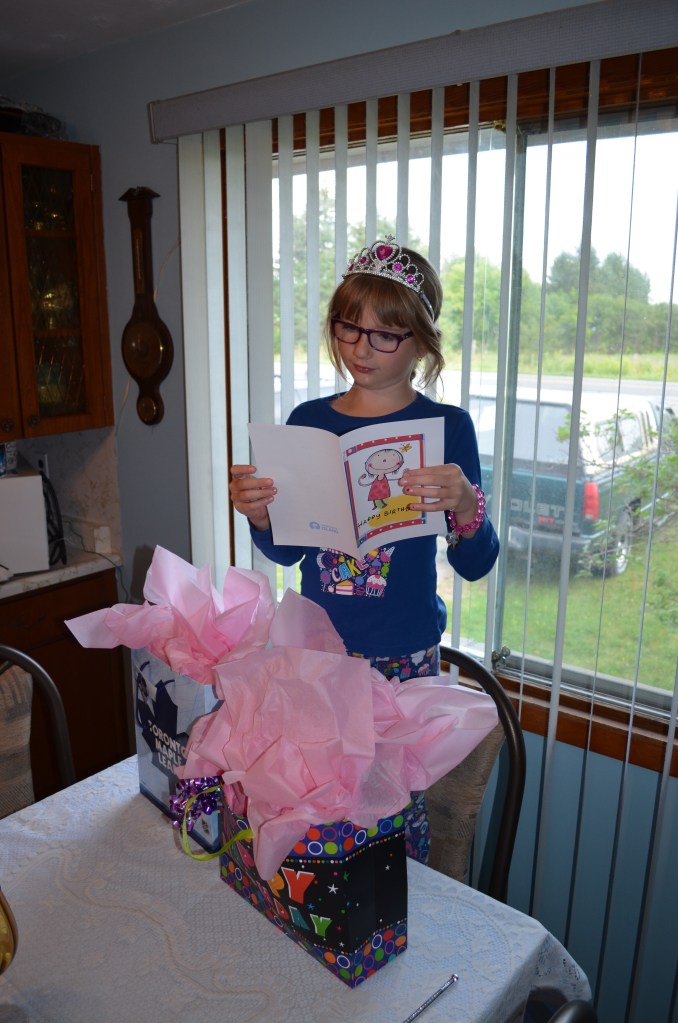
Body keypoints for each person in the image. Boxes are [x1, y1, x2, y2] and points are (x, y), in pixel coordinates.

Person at [229, 237, 499, 862]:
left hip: (403, 656)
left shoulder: (447, 428)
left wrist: (465, 506)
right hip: (320, 652)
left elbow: (475, 562)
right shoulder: (309, 418)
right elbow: (289, 555)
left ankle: (386, 920)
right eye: (347, 329)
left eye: (385, 335)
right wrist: (264, 517)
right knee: (318, 805)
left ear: (422, 342)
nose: (360, 349)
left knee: (389, 810)